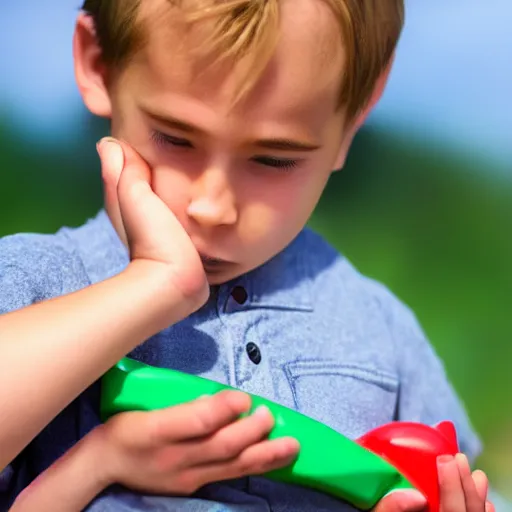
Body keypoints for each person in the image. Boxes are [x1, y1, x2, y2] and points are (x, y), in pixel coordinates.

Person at [0, 0, 497, 510]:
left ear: (355, 115)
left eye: (273, 159)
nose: (213, 206)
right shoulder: (33, 287)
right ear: (98, 64)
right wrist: (98, 461)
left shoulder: (382, 332)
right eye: (175, 138)